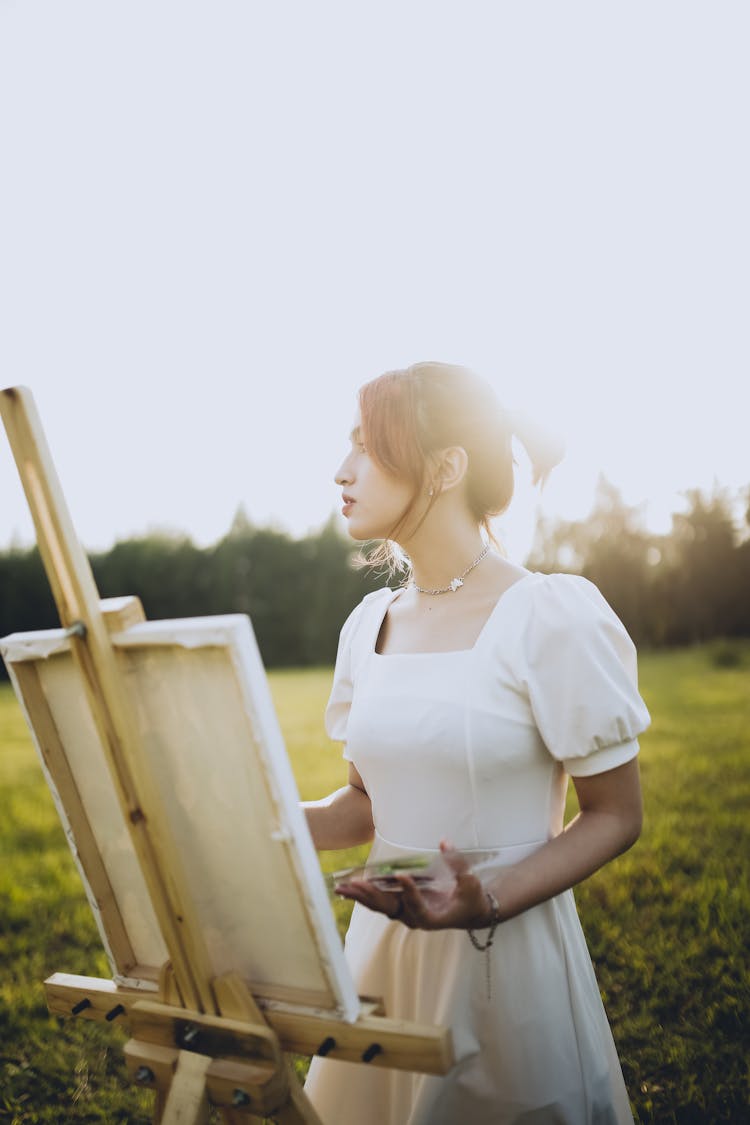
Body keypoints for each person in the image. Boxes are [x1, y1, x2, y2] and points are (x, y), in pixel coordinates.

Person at [303, 362, 650, 1125]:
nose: (342, 469)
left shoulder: (550, 615)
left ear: (445, 465)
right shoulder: (367, 626)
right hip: (385, 951)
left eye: (368, 445)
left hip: (508, 962)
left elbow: (616, 815)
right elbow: (364, 805)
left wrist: (485, 899)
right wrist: (266, 818)